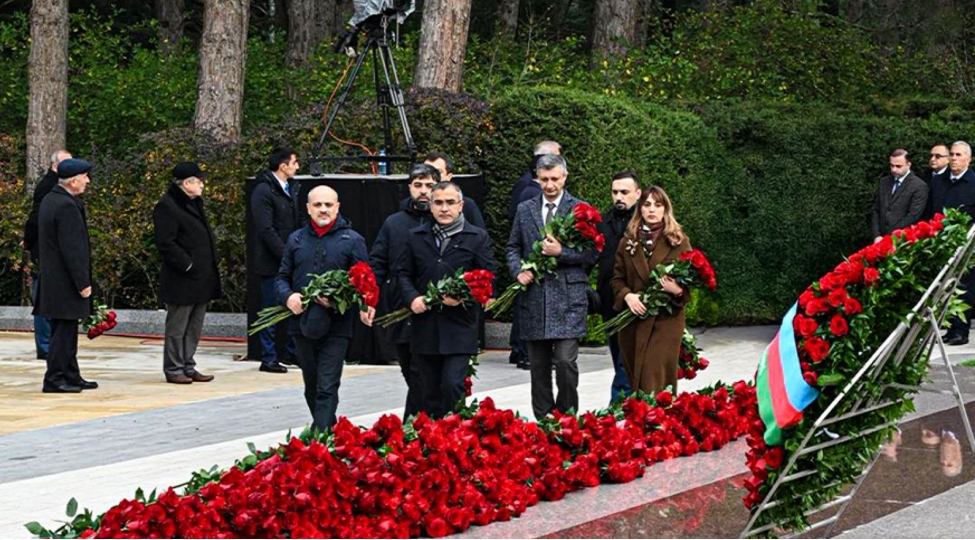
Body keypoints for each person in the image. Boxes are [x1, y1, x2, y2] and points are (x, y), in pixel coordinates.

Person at [276, 185, 375, 432]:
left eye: (328, 205)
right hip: (302, 324)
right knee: (311, 383)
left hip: (337, 325)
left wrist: (345, 300)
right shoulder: (296, 239)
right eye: (318, 205)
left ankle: (319, 438)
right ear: (308, 208)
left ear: (337, 207)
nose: (323, 209)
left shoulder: (352, 240)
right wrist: (289, 297)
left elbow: (365, 282)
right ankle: (328, 431)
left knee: (327, 385)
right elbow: (281, 277)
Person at [507, 154, 598, 420]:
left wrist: (562, 252)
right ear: (537, 177)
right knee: (538, 366)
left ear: (565, 177)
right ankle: (545, 419)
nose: (549, 185)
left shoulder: (580, 209)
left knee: (566, 362)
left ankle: (567, 416)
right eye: (544, 179)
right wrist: (518, 270)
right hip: (534, 298)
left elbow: (593, 253)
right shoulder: (525, 209)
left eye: (554, 179)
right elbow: (513, 247)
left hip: (569, 299)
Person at [398, 181, 495, 418]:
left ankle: (455, 435)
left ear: (461, 205)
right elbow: (403, 273)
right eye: (438, 203)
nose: (444, 208)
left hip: (460, 327)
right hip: (426, 326)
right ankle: (432, 441)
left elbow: (488, 279)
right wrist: (412, 298)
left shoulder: (477, 237)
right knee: (427, 390)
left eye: (450, 202)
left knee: (452, 384)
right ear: (430, 206)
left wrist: (464, 297)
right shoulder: (415, 237)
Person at [611, 186, 692, 395]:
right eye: (647, 205)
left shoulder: (678, 241)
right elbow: (617, 279)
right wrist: (627, 295)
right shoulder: (628, 241)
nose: (652, 210)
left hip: (665, 321)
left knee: (654, 377)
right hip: (633, 321)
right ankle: (643, 422)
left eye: (658, 205)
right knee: (636, 378)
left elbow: (691, 282)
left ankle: (659, 421)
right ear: (640, 209)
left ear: (666, 209)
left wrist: (676, 290)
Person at [153, 162, 221, 384]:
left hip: (201, 277)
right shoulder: (168, 206)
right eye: (198, 180)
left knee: (194, 325)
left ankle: (188, 364)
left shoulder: (195, 203)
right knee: (178, 325)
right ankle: (173, 368)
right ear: (186, 183)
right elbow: (166, 242)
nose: (202, 184)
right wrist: (187, 264)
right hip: (182, 278)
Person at [33, 158, 97, 393]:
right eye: (84, 177)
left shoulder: (53, 199)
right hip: (65, 281)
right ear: (73, 181)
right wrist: (83, 282)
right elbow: (72, 249)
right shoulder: (65, 205)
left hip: (55, 278)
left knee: (67, 330)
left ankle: (71, 374)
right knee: (62, 333)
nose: (87, 181)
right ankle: (55, 378)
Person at [507, 141, 562, 370]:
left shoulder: (573, 205)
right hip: (531, 271)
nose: (549, 184)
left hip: (547, 273)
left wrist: (562, 253)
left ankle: (521, 350)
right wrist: (522, 267)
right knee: (526, 306)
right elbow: (515, 241)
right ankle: (523, 351)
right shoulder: (527, 194)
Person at [251, 147, 302, 373]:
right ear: (283, 166)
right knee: (271, 307)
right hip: (273, 261)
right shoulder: (264, 190)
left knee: (293, 306)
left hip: (290, 257)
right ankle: (268, 356)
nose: (297, 167)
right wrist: (284, 254)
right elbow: (265, 228)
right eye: (294, 162)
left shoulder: (289, 188)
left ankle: (291, 352)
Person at [23, 149, 71, 361]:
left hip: (48, 249)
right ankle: (45, 345)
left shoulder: (59, 187)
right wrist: (30, 241)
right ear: (54, 166)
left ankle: (50, 344)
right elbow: (36, 218)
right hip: (44, 251)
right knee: (42, 297)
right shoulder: (48, 188)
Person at [598, 172, 641, 402]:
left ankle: (619, 406)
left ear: (638, 193)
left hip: (638, 301)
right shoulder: (602, 223)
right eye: (615, 192)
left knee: (627, 360)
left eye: (624, 192)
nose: (618, 197)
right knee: (619, 358)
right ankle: (631, 405)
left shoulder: (646, 223)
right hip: (609, 300)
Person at [928, 141, 975, 345]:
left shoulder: (973, 182)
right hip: (942, 243)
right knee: (944, 287)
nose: (954, 158)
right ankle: (947, 326)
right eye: (952, 154)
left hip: (966, 246)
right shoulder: (939, 182)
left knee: (964, 288)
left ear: (968, 159)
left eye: (958, 155)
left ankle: (960, 330)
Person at [872, 148, 928, 242]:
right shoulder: (884, 182)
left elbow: (913, 216)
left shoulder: (919, 186)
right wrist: (876, 235)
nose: (894, 169)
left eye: (898, 166)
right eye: (892, 165)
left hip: (902, 240)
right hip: (880, 239)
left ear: (908, 165)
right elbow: (876, 209)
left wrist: (889, 236)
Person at [422, 152, 486, 229]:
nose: (431, 177)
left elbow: (480, 237)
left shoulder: (468, 206)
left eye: (438, 172)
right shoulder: (410, 206)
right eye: (427, 172)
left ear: (449, 177)